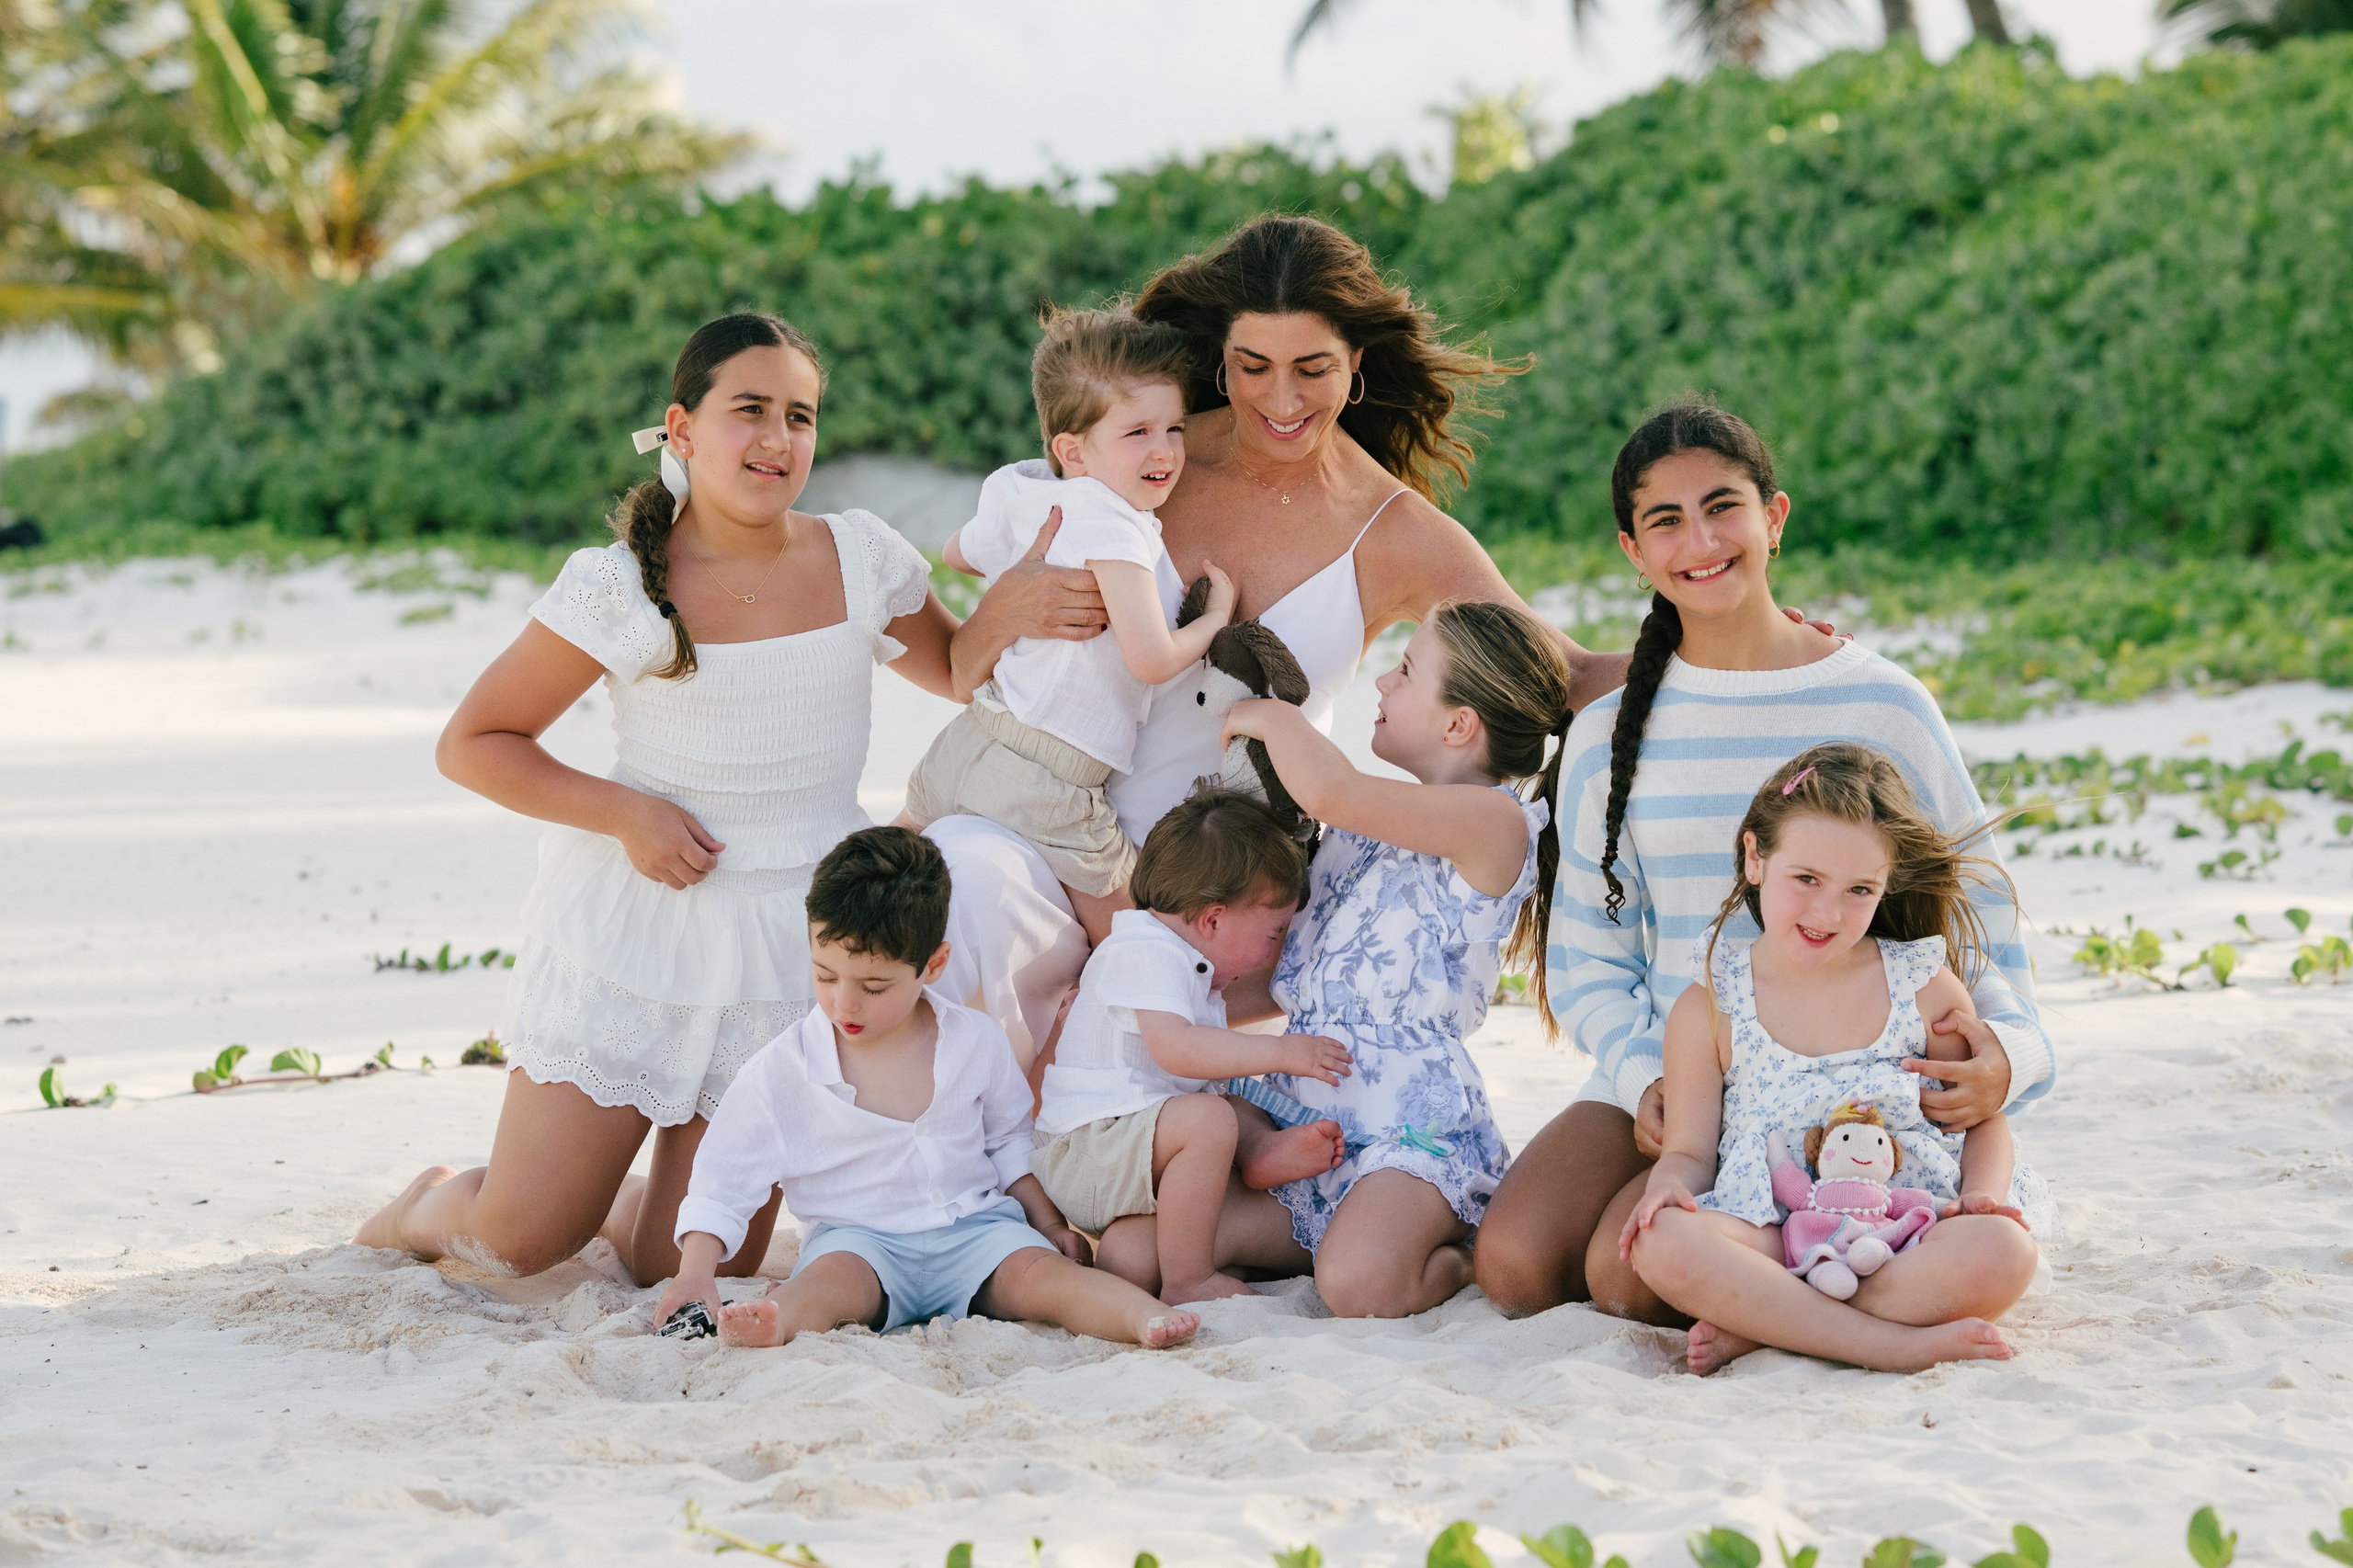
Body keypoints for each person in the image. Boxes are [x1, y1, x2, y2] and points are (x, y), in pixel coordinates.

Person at [926, 214, 1630, 1073]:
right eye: (1254, 367)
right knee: (963, 881)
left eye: (1313, 369)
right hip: (1048, 842)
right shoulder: (1139, 453)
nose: (1283, 400)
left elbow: (1571, 674)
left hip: (1215, 911)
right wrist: (1005, 609)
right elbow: (968, 659)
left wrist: (1742, 640)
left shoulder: (1395, 533)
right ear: (1220, 361)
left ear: (1357, 364)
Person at [356, 313, 961, 1286]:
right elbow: (474, 744)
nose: (777, 438)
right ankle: (423, 1201)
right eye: (749, 410)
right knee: (521, 1240)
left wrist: (1026, 601)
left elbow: (964, 672)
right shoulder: (621, 586)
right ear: (681, 428)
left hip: (788, 944)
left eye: (799, 416)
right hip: (641, 928)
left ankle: (617, 1205)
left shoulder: (862, 558)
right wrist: (625, 814)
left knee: (680, 1261)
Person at [1474, 403, 2057, 1344]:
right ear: (1632, 549)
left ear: (1773, 517)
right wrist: (1643, 1076)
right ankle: (1816, 1274)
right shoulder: (1607, 735)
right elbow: (1588, 958)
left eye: (1723, 508)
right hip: (1686, 1068)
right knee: (1513, 1264)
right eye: (1666, 521)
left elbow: (1980, 917)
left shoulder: (1884, 703)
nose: (1700, 542)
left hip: (1855, 1074)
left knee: (1622, 1282)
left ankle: (1786, 1294)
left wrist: (2012, 1057)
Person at [655, 828, 1199, 1350]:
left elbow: (1008, 1142)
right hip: (859, 1242)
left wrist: (1049, 1222)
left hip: (976, 1232)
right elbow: (724, 1181)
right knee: (827, 1284)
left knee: (1048, 1277)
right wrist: (695, 1273)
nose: (844, 1003)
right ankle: (777, 1321)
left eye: (873, 987)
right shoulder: (782, 1069)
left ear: (933, 965)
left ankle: (1142, 1316)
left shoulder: (975, 1040)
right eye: (825, 975)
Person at [1618, 745, 2040, 1373]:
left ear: (1884, 886)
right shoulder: (1712, 1003)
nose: (1827, 912)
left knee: (2004, 1251)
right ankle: (1890, 1344)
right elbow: (1688, 1150)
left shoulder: (1921, 984)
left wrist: (1981, 1195)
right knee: (1659, 1241)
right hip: (1770, 1233)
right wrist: (1669, 1188)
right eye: (1807, 879)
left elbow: (1980, 1119)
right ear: (1756, 858)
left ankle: (1775, 1321)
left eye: (1859, 889)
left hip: (1904, 1230)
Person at [1215, 599, 1574, 1317]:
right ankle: (1337, 1232)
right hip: (1302, 1119)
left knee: (1360, 1284)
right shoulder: (1359, 833)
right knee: (1162, 1239)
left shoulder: (1494, 822)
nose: (1382, 682)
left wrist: (1276, 717)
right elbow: (1299, 981)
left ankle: (1460, 1254)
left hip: (1409, 1134)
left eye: (1405, 671)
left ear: (1458, 725)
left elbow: (1330, 789)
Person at [903, 309, 1237, 946]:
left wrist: (1023, 567)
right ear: (1073, 450)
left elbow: (956, 554)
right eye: (1137, 432)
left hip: (970, 740)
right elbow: (1152, 659)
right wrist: (1216, 619)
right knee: (1142, 943)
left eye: (1173, 427)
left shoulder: (1025, 487)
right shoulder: (1116, 526)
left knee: (873, 890)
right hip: (1052, 779)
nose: (1164, 450)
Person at [1031, 791, 1350, 1306]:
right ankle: (1190, 1279)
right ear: (1213, 920)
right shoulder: (1147, 949)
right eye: (1273, 934)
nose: (1273, 951)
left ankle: (1254, 1154)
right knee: (1209, 1117)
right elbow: (1176, 1050)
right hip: (1088, 1150)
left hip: (1127, 1146)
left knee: (1226, 1103)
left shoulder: (1189, 969)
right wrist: (1281, 1052)